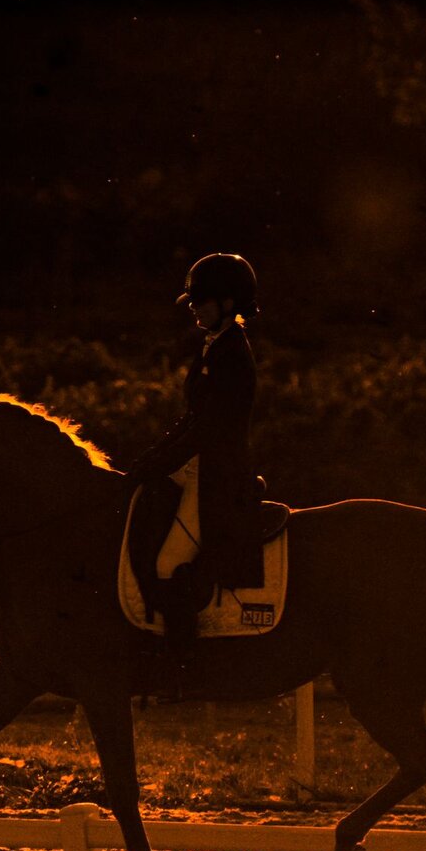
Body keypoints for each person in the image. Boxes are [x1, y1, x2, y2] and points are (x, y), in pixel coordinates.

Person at [127, 252, 262, 669]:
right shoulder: (214, 347)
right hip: (199, 466)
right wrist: (150, 459)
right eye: (193, 300)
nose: (193, 308)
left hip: (217, 473)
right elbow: (191, 420)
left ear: (227, 303)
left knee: (170, 562)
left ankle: (185, 664)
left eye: (201, 300)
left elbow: (209, 429)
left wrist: (158, 464)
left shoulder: (232, 352)